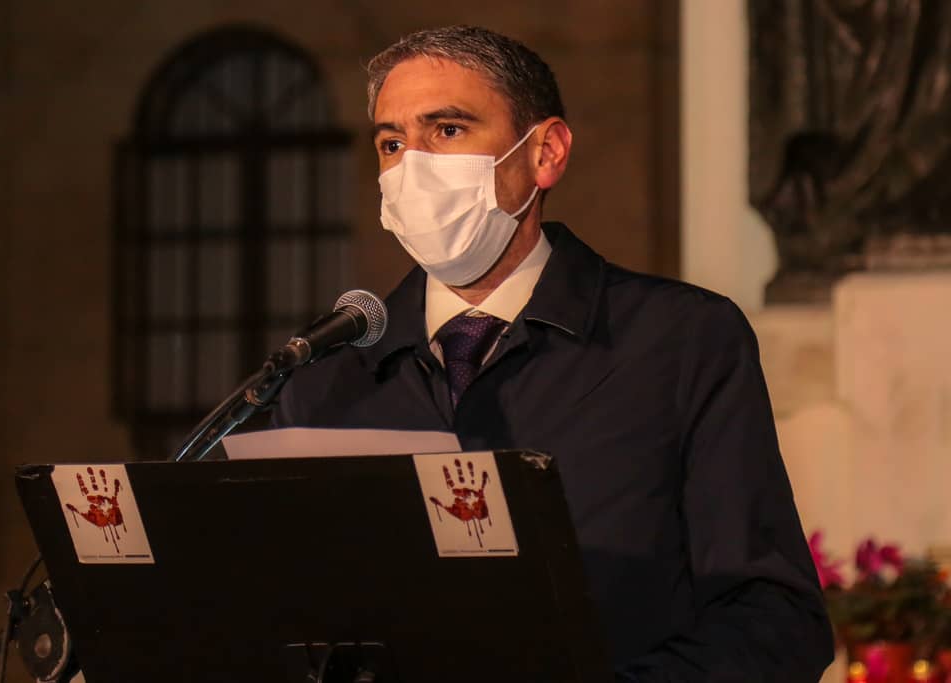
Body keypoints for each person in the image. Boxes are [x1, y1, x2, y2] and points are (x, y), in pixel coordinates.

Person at [267, 25, 834, 681]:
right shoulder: (326, 382)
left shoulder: (679, 341)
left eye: (447, 130)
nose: (412, 169)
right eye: (392, 144)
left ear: (546, 153)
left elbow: (775, 617)